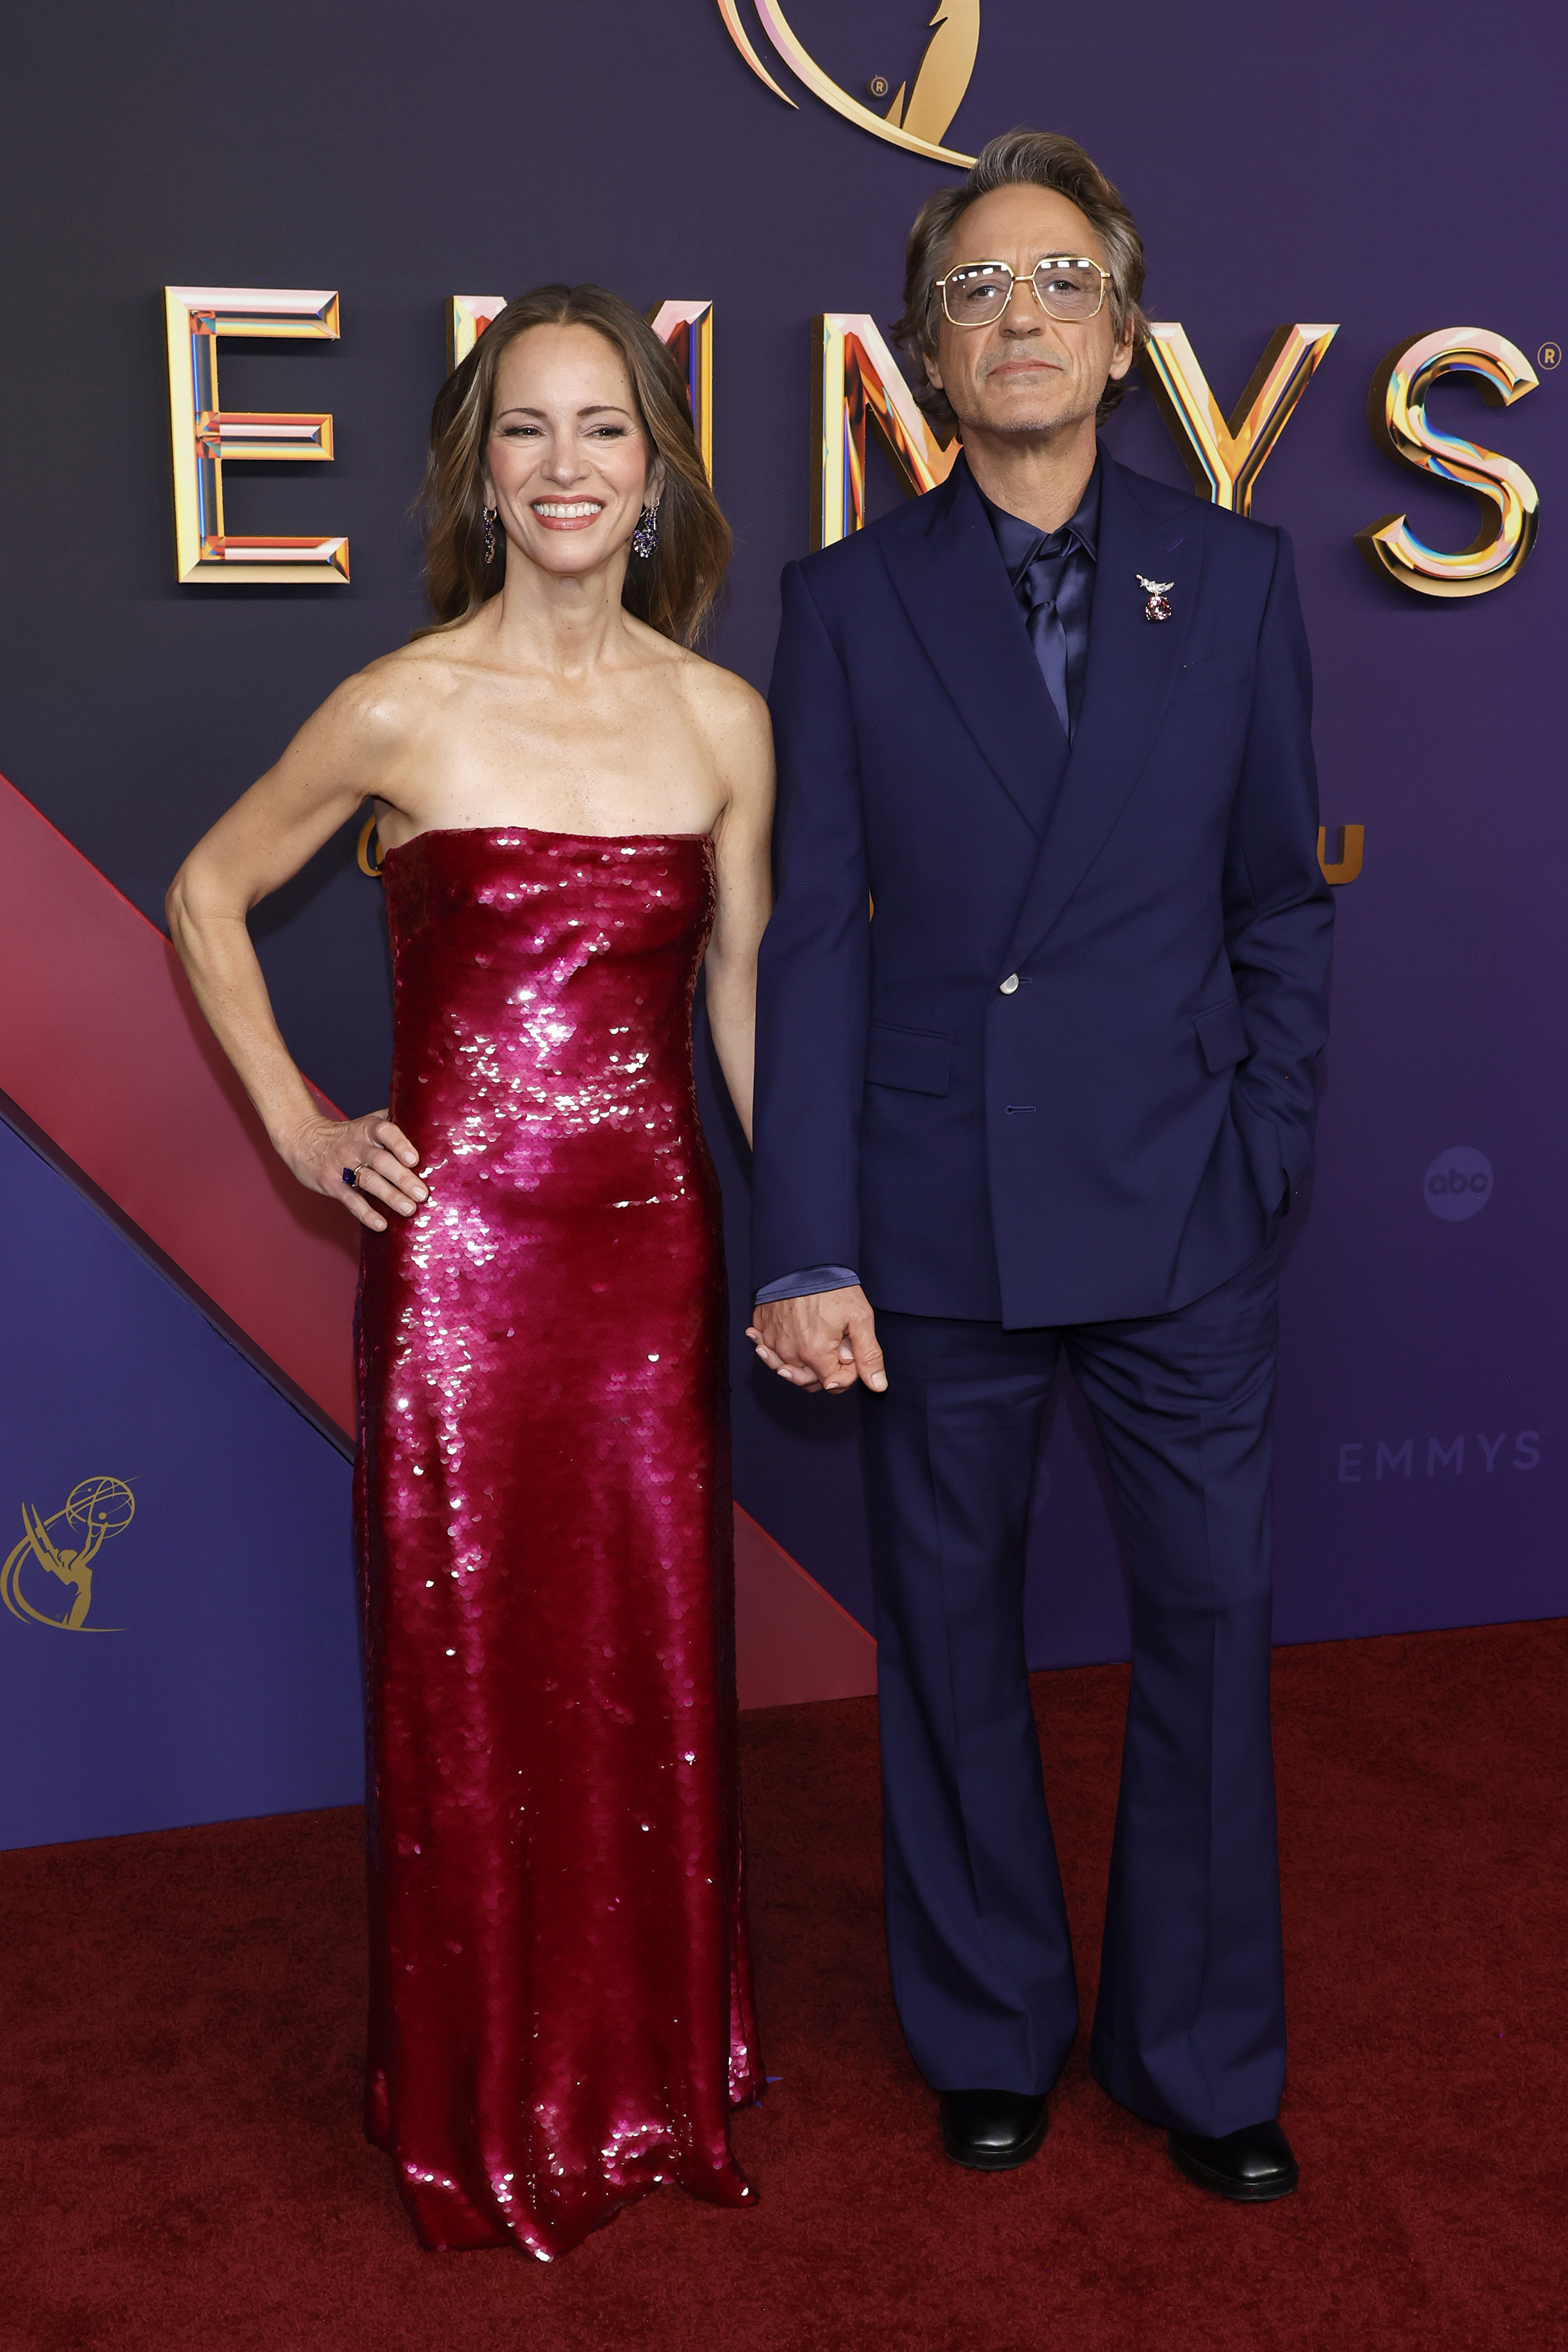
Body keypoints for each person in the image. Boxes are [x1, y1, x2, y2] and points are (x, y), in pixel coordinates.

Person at [748, 131, 1333, 2200]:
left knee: (1210, 1628)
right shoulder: (840, 602)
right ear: (925, 343)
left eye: (1059, 284)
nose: (1021, 320)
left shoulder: (1238, 580)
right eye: (980, 289)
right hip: (931, 1215)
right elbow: (811, 933)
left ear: (1124, 329)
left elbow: (1283, 901)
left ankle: (1198, 2046)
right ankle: (988, 2021)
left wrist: (1262, 1144)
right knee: (956, 1636)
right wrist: (803, 1236)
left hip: (1181, 1202)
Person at [167, 285, 774, 2256]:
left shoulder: (720, 717)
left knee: (651, 1673)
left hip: (649, 1260)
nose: (571, 466)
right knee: (471, 1674)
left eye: (607, 427)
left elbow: (743, 999)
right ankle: (489, 2087)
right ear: (481, 467)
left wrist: (825, 1247)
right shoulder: (404, 702)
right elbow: (206, 892)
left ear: (658, 462)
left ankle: (657, 2076)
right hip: (461, 1273)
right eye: (530, 429)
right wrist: (296, 1123)